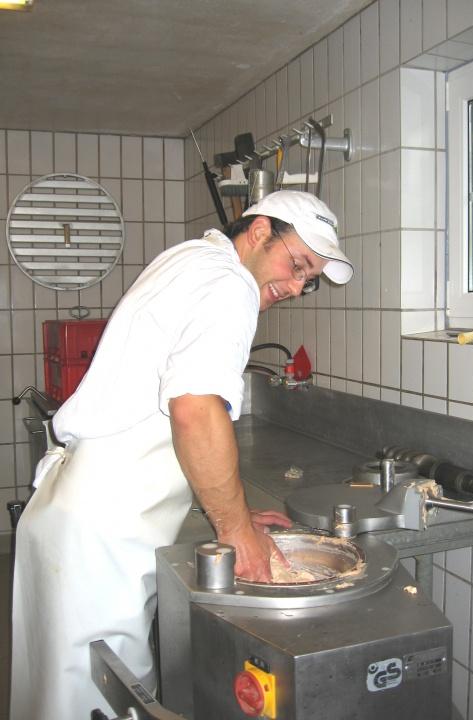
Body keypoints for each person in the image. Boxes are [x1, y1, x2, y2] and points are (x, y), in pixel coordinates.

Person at [10, 189, 353, 720]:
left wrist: (230, 513)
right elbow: (194, 410)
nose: (294, 287)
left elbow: (160, 415)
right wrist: (235, 530)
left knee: (59, 699)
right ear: (260, 231)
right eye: (297, 265)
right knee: (102, 703)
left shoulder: (194, 260)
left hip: (82, 517)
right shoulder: (228, 284)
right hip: (98, 543)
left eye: (307, 280)